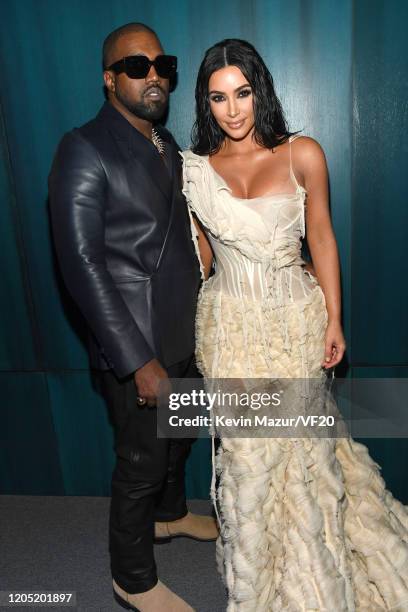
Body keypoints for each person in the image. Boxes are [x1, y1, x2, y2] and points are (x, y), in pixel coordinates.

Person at [181, 39, 408, 611]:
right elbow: (201, 257)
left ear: (260, 90)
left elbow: (323, 236)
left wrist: (335, 317)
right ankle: (261, 586)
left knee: (304, 455)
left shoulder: (301, 153)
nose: (232, 110)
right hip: (231, 330)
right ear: (205, 104)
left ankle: (314, 581)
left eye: (242, 93)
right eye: (218, 98)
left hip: (294, 326)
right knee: (249, 462)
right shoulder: (194, 171)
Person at [49, 22, 218, 612]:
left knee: (180, 443)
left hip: (185, 330)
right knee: (142, 462)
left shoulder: (164, 143)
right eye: (137, 66)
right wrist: (135, 358)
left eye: (161, 65)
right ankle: (133, 577)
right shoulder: (84, 147)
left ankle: (169, 519)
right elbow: (81, 266)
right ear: (109, 78)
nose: (154, 76)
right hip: (137, 343)